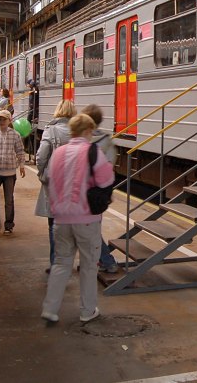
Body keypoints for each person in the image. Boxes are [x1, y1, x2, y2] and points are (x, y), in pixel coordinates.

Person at [41, 114, 114, 324]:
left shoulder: (58, 153)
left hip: (60, 219)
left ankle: (50, 309)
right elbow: (106, 179)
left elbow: (50, 181)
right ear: (87, 131)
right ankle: (87, 310)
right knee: (89, 265)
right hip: (86, 219)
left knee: (61, 263)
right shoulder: (93, 152)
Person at [35, 99, 76, 271]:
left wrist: (42, 173)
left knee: (54, 224)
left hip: (55, 183)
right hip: (74, 183)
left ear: (57, 111)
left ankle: (56, 263)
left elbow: (41, 156)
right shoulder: (78, 132)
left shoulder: (50, 130)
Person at [82, 103, 119, 274]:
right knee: (91, 228)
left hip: (82, 192)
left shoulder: (83, 141)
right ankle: (96, 260)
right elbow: (110, 167)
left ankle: (107, 261)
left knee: (89, 230)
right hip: (98, 193)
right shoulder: (106, 142)